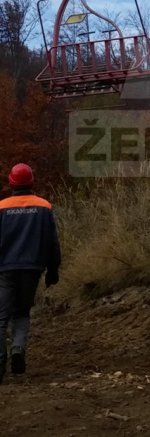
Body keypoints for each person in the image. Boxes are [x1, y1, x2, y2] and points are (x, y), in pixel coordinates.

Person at [0, 164, 61, 382]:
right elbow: (52, 241)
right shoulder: (44, 206)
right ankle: (18, 349)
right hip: (33, 268)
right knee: (22, 312)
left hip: (5, 269)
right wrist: (53, 269)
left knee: (1, 316)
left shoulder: (1, 207)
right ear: (32, 182)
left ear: (11, 182)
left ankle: (0, 362)